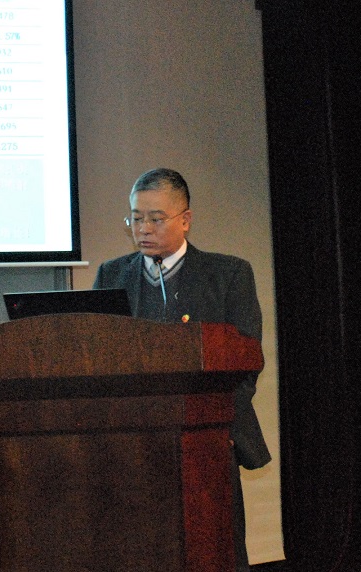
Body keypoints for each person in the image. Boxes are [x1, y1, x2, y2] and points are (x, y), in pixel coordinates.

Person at [93, 167, 271, 571]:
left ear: (185, 220)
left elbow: (246, 362)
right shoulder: (112, 274)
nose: (143, 228)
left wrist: (219, 421)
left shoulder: (228, 274)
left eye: (156, 218)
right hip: (131, 442)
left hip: (207, 439)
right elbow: (99, 357)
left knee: (214, 550)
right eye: (136, 218)